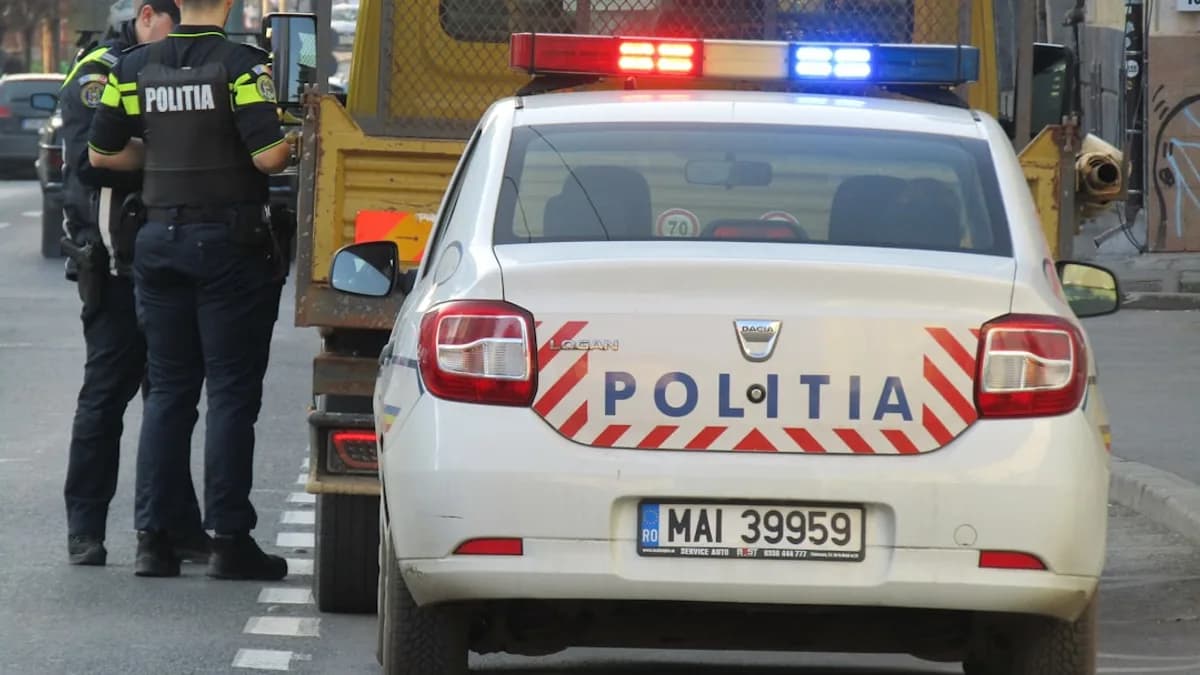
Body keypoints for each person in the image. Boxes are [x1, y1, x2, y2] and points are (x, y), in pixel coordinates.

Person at [88, 0, 294, 579]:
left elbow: (103, 152)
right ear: (227, 5)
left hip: (156, 242)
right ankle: (230, 539)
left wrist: (164, 157)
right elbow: (270, 156)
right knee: (230, 391)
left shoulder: (131, 68)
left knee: (170, 391)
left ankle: (155, 540)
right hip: (227, 243)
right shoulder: (242, 67)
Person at [60, 0, 212, 568]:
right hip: (116, 264)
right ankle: (85, 528)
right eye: (175, 30)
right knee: (105, 397)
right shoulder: (100, 72)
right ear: (148, 17)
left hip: (167, 258)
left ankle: (178, 526)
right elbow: (91, 163)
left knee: (170, 402)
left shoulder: (172, 67)